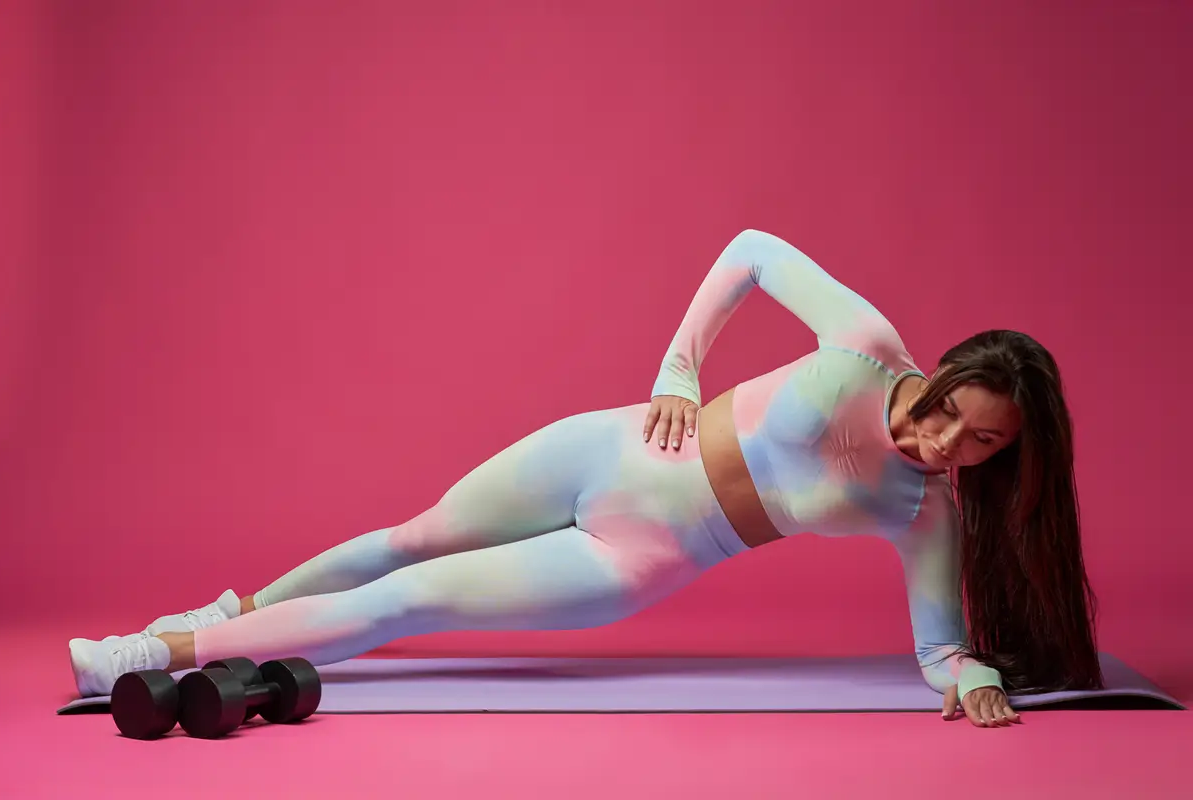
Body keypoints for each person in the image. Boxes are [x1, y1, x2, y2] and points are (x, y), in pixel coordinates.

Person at [69, 228, 1102, 728]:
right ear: (949, 371)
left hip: (642, 553)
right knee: (414, 534)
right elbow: (748, 250)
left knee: (407, 599)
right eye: (951, 417)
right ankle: (239, 610)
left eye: (981, 447)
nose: (943, 448)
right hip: (613, 446)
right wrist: (678, 371)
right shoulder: (867, 342)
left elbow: (937, 646)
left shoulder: (924, 512)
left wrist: (967, 675)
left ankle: (159, 646)